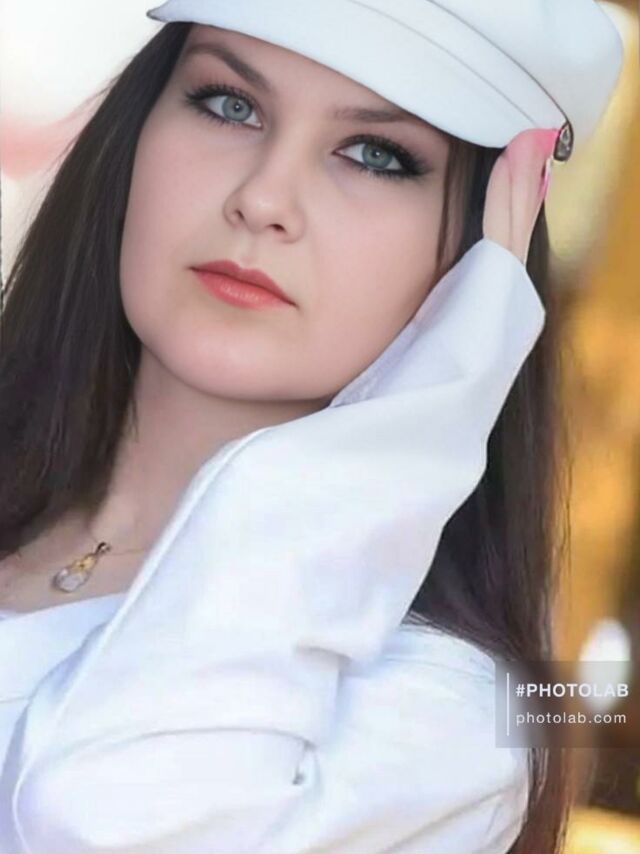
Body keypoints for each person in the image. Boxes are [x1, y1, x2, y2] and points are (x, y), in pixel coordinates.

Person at [0, 1, 623, 851]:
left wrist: (420, 422)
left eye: (375, 155)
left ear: (490, 247)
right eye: (229, 105)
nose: (263, 199)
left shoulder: (446, 718)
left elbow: (112, 826)